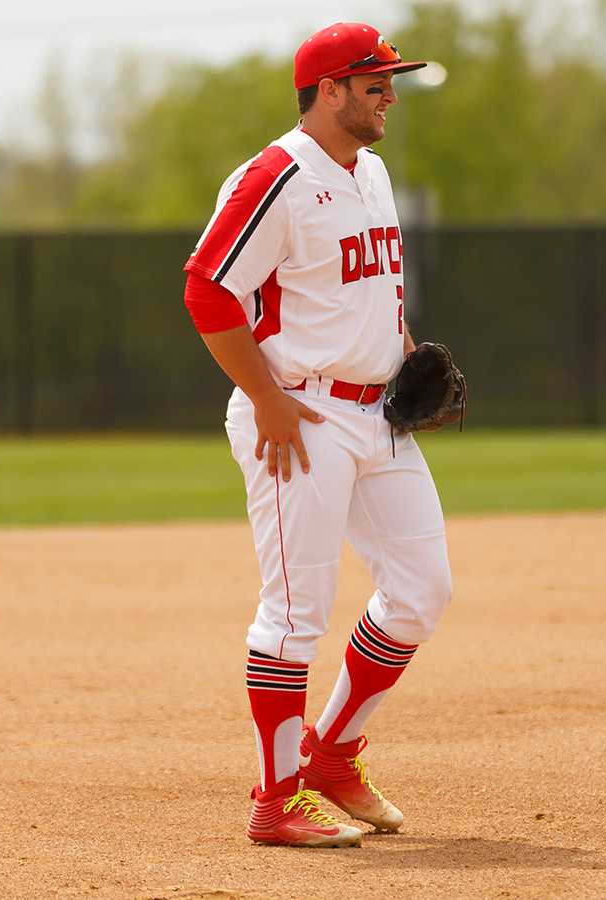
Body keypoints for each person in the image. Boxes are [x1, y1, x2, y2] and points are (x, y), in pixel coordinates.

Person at [181, 23, 451, 848]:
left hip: (377, 415)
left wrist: (401, 352)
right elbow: (207, 289)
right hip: (299, 414)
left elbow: (368, 288)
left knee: (420, 589)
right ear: (328, 90)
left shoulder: (369, 170)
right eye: (374, 84)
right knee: (296, 612)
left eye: (388, 83)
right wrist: (262, 396)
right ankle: (276, 798)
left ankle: (331, 753)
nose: (389, 97)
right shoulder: (277, 175)